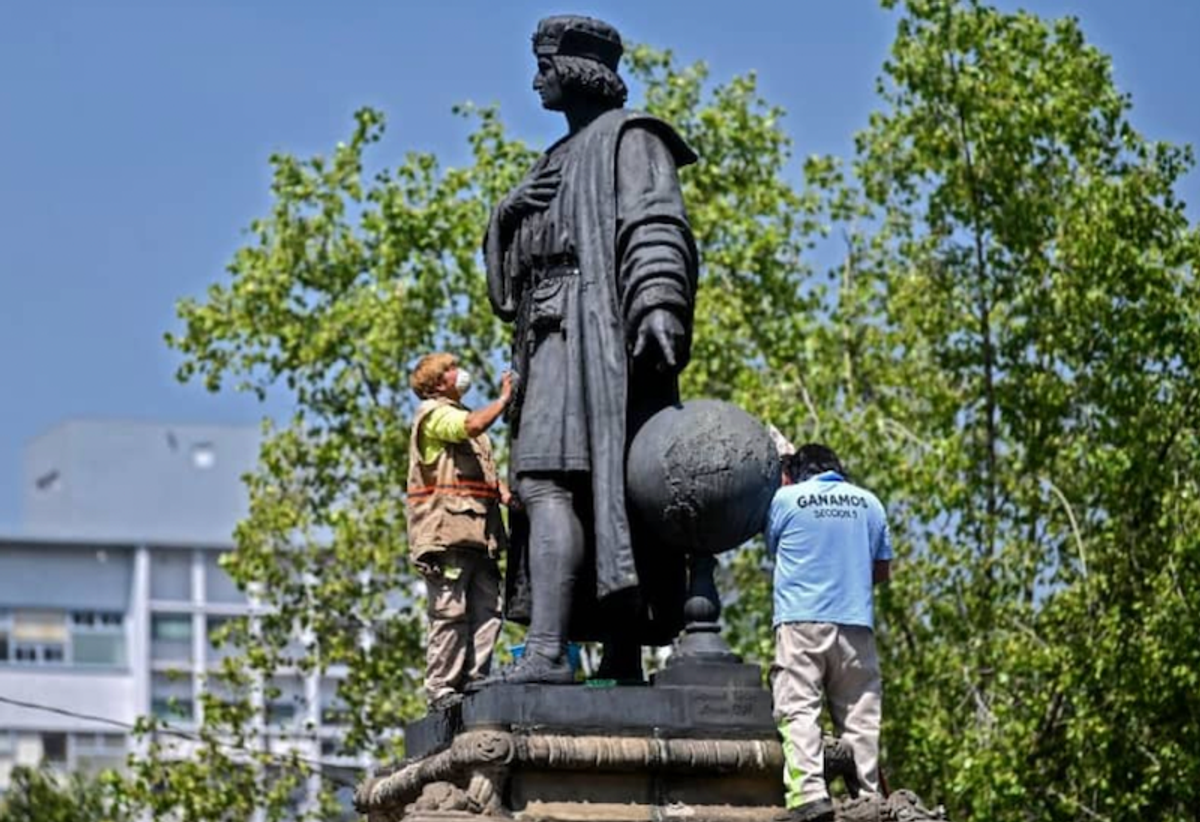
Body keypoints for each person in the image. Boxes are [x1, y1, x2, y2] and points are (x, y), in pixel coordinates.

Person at [480, 15, 698, 684]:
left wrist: (659, 303)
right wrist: (506, 215)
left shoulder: (632, 138)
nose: (537, 77)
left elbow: (657, 221)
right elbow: (509, 285)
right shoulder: (550, 161)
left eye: (545, 63)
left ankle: (555, 653)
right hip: (548, 335)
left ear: (576, 69)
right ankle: (601, 653)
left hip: (595, 335)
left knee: (560, 483)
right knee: (563, 487)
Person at [765, 444, 893, 822]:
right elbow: (882, 571)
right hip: (855, 625)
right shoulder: (869, 503)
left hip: (801, 622)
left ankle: (808, 795)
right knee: (860, 717)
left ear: (797, 472)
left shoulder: (786, 500)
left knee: (799, 707)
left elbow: (775, 546)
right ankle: (868, 799)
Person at [406, 352, 513, 709]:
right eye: (450, 369)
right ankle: (442, 690)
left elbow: (479, 475)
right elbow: (470, 427)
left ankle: (474, 681)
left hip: (480, 537)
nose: (459, 372)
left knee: (488, 611)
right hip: (447, 535)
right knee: (450, 613)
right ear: (437, 383)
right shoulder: (435, 416)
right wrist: (503, 400)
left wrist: (505, 494)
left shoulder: (463, 418)